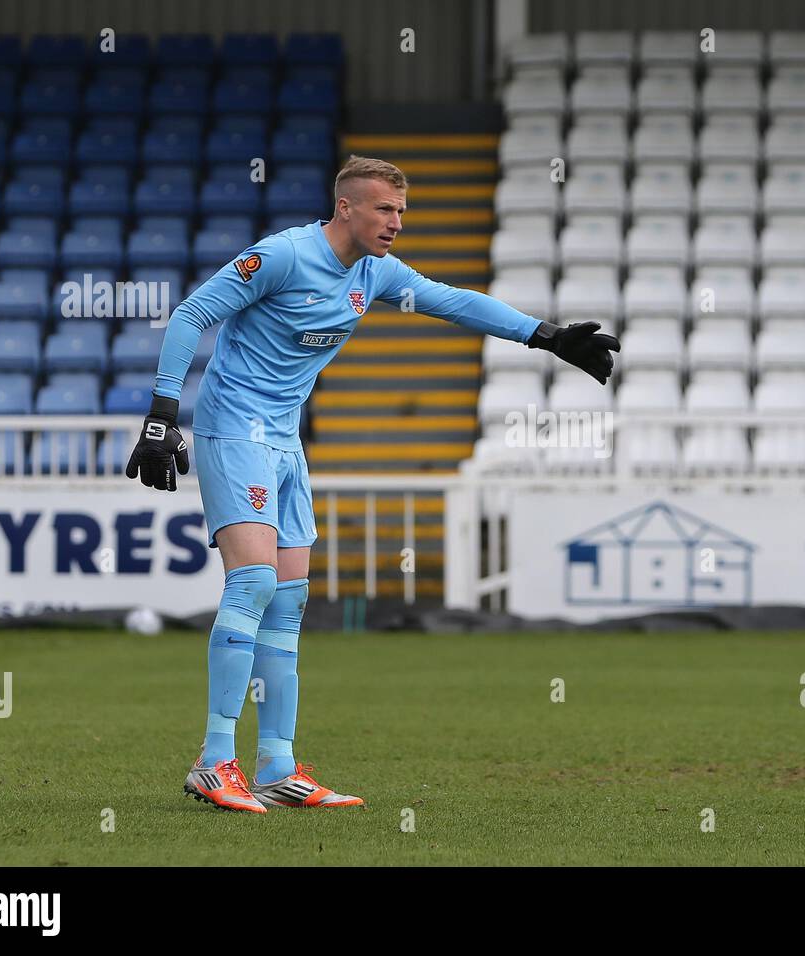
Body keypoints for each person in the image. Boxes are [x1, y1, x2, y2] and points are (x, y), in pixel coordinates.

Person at [126, 155, 620, 812]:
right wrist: (163, 414)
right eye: (385, 210)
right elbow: (190, 315)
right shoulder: (281, 257)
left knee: (289, 600)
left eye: (402, 212)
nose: (395, 223)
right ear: (348, 208)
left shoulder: (375, 273)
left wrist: (547, 336)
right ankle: (215, 761)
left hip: (282, 439)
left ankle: (274, 764)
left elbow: (454, 302)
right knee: (254, 582)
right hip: (232, 427)